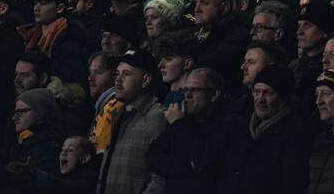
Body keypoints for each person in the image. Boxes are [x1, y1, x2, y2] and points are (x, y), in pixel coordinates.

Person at [146, 67, 241, 192]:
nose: (188, 95)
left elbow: (206, 157)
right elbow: (152, 158)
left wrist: (179, 123)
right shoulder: (182, 119)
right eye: (185, 90)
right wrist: (187, 167)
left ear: (214, 95)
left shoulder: (230, 122)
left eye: (195, 90)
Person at [221, 63, 308, 194]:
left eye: (269, 92)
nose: (260, 99)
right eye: (257, 91)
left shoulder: (294, 135)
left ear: (283, 96)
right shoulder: (243, 127)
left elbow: (292, 185)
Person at [99, 49, 168, 193]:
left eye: (127, 74)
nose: (117, 80)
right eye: (117, 73)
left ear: (145, 80)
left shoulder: (156, 116)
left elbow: (161, 177)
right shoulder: (118, 115)